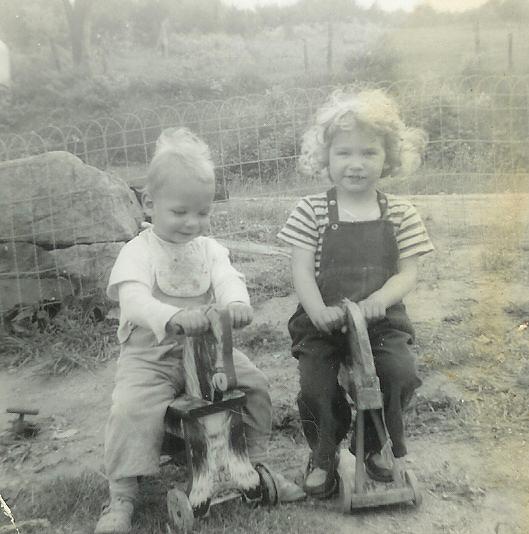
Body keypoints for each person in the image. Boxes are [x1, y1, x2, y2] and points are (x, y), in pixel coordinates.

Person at [95, 128, 304, 534]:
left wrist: (236, 303)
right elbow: (133, 301)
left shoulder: (209, 249)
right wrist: (172, 315)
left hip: (209, 351)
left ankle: (253, 463)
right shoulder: (138, 252)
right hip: (152, 356)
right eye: (180, 212)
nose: (192, 223)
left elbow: (227, 278)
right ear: (149, 203)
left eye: (202, 212)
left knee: (254, 384)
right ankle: (122, 494)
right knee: (130, 407)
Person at [277, 89, 434, 499]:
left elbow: (409, 271)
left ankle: (373, 443)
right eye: (344, 153)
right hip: (324, 319)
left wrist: (381, 299)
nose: (356, 164)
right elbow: (301, 271)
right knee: (316, 385)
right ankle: (323, 453)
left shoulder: (400, 213)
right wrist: (317, 310)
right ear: (326, 157)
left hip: (380, 318)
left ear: (389, 157)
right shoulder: (310, 211)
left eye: (369, 153)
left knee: (399, 372)